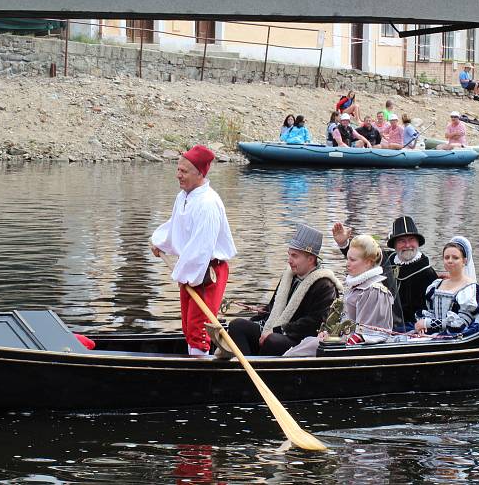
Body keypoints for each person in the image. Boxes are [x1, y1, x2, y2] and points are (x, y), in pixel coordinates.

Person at [150, 145, 237, 356]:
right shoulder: (184, 196)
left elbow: (202, 247)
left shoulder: (207, 203)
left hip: (206, 272)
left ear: (199, 173)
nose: (178, 175)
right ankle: (196, 357)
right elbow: (176, 227)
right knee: (189, 326)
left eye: (184, 171)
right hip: (190, 269)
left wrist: (185, 273)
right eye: (178, 169)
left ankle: (199, 365)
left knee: (199, 327)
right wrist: (161, 243)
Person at [211, 224, 341, 357]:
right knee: (237, 325)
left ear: (311, 259)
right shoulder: (289, 276)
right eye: (289, 255)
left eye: (295, 256)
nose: (289, 261)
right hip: (277, 331)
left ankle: (257, 369)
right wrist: (256, 321)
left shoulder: (325, 285)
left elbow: (314, 323)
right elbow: (272, 308)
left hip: (299, 340)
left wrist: (277, 330)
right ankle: (246, 368)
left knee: (272, 340)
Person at [284, 234, 393, 356]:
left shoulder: (374, 290)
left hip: (352, 349)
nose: (347, 264)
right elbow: (344, 322)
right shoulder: (357, 287)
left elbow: (368, 334)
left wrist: (334, 340)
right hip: (342, 342)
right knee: (308, 343)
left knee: (308, 348)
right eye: (348, 259)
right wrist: (328, 333)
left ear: (368, 262)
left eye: (352, 260)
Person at [332, 216, 438, 331]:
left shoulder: (427, 272)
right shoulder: (389, 259)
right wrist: (344, 243)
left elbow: (431, 310)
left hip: (408, 329)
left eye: (411, 239)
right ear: (395, 245)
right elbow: (362, 257)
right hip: (377, 321)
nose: (407, 245)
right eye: (402, 241)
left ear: (418, 242)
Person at [415, 236, 479, 337]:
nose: (450, 260)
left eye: (455, 257)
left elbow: (461, 324)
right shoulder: (436, 284)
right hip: (434, 333)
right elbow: (430, 313)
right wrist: (423, 326)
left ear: (465, 261)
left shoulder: (471, 289)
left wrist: (428, 323)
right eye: (446, 257)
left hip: (460, 336)